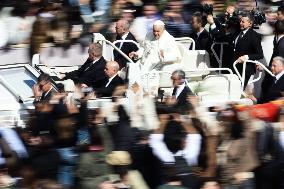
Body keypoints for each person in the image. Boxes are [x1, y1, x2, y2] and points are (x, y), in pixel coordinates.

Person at [232, 13, 264, 88]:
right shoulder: (237, 33)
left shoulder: (254, 36)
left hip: (246, 71)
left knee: (244, 93)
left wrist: (246, 57)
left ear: (250, 23)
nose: (240, 23)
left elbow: (260, 54)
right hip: (235, 68)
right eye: (240, 21)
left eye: (243, 22)